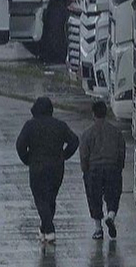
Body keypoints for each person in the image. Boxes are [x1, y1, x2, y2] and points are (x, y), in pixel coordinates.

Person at [16, 96, 79, 244]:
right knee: (50, 199)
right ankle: (44, 229)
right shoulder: (60, 125)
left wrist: (27, 159)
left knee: (40, 199)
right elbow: (74, 141)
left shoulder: (30, 125)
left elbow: (20, 145)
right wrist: (64, 155)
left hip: (37, 167)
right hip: (57, 168)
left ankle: (49, 230)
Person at [79, 101, 126, 240]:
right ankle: (111, 215)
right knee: (113, 194)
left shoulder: (87, 134)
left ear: (93, 114)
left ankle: (98, 228)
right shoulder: (116, 132)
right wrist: (119, 167)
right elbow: (121, 152)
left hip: (94, 170)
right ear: (105, 113)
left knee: (94, 198)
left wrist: (85, 170)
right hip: (112, 167)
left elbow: (84, 155)